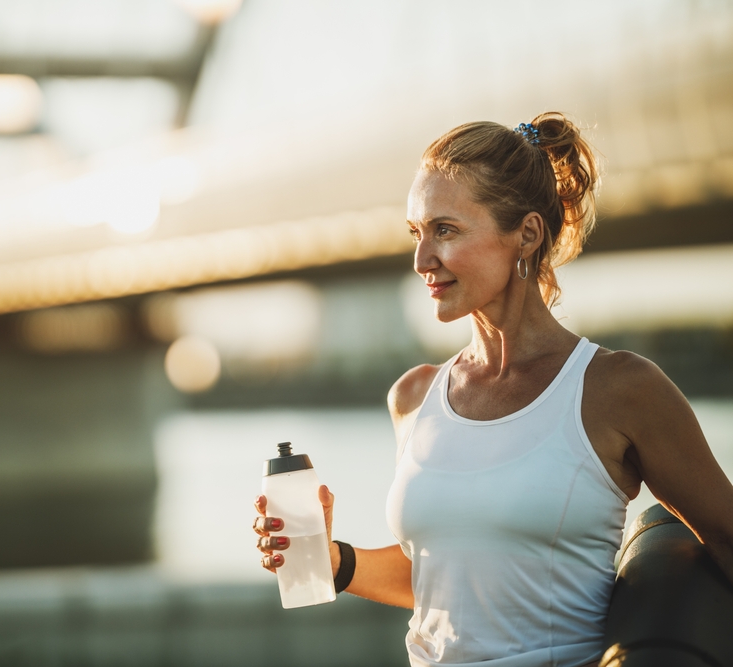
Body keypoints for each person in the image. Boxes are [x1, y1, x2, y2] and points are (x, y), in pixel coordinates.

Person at [253, 112, 733, 667]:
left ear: (526, 234)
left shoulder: (619, 389)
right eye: (417, 232)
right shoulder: (413, 397)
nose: (420, 260)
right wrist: (333, 560)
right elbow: (444, 579)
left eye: (446, 230)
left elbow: (726, 539)